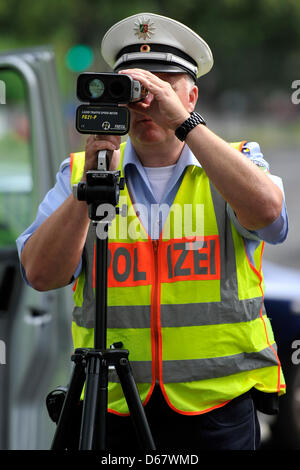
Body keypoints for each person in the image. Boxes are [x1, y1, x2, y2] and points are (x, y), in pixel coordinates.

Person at [17, 12, 288, 451]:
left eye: (163, 84)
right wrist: (89, 188)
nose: (147, 100)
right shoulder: (80, 173)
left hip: (216, 407)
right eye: (134, 86)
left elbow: (271, 219)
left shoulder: (236, 161)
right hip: (113, 405)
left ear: (192, 95)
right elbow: (41, 275)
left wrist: (185, 124)